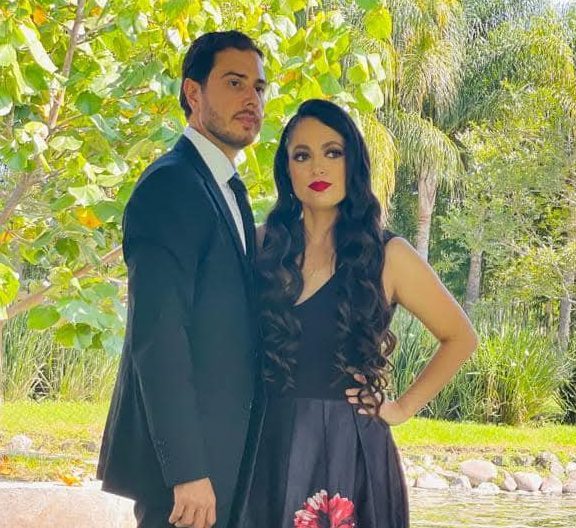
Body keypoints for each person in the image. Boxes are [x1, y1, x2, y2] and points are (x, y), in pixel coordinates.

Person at [229, 99, 478, 528]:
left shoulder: (388, 255)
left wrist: (400, 409)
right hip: (265, 445)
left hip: (352, 452)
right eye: (302, 155)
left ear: (354, 163)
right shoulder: (260, 247)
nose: (317, 167)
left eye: (333, 152)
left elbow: (460, 337)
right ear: (287, 170)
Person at [97, 31, 266, 528]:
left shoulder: (224, 188)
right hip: (188, 482)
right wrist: (187, 470)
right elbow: (158, 337)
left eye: (258, 87)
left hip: (227, 464)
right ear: (193, 93)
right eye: (234, 83)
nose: (251, 99)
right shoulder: (172, 185)